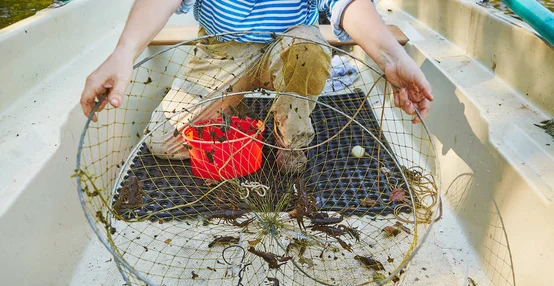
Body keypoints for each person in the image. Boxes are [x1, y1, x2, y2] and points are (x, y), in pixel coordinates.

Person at [80, 0, 433, 172]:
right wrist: (124, 52)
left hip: (290, 45)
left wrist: (391, 59)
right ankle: (243, 121)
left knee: (309, 47)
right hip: (223, 48)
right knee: (160, 140)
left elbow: (347, 4)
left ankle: (289, 135)